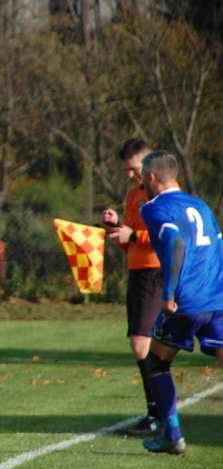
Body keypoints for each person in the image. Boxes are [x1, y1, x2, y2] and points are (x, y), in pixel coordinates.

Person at [137, 150, 223, 455]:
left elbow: (175, 243)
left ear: (151, 177)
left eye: (140, 177)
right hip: (217, 297)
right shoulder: (200, 204)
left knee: (156, 362)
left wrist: (170, 293)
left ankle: (172, 434)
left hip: (187, 300)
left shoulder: (154, 207)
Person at [101, 139, 162, 436]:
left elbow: (165, 235)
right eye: (126, 170)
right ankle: (160, 411)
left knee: (141, 343)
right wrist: (114, 228)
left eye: (133, 168)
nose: (129, 174)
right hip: (139, 273)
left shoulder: (160, 194)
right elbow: (130, 238)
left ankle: (156, 413)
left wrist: (134, 236)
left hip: (155, 272)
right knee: (151, 345)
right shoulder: (132, 195)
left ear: (148, 163)